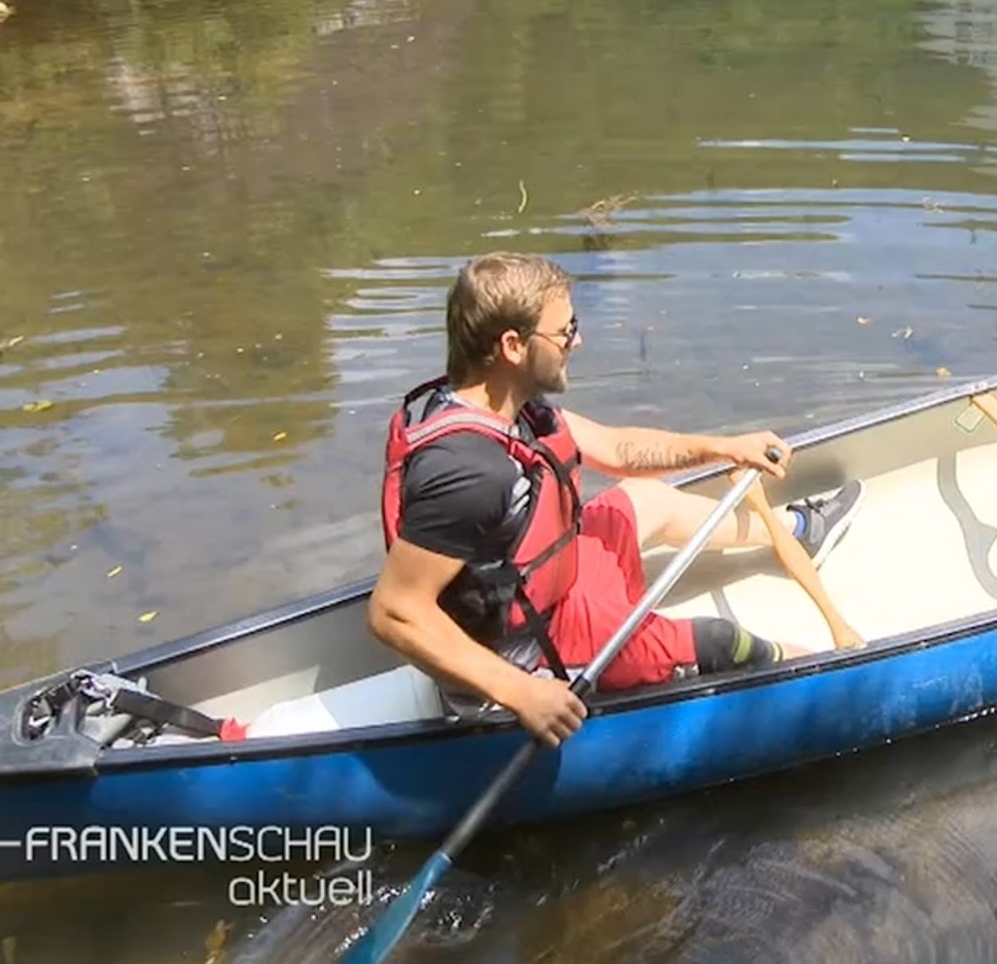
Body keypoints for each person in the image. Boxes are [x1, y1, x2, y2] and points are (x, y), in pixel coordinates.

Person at [368, 251, 864, 747]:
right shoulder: (471, 474)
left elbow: (616, 448)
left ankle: (800, 534)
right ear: (513, 346)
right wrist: (521, 693)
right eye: (565, 331)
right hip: (528, 660)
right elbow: (395, 612)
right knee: (721, 639)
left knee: (648, 500)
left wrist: (722, 447)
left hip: (546, 591)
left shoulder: (506, 406)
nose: (577, 340)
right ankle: (817, 670)